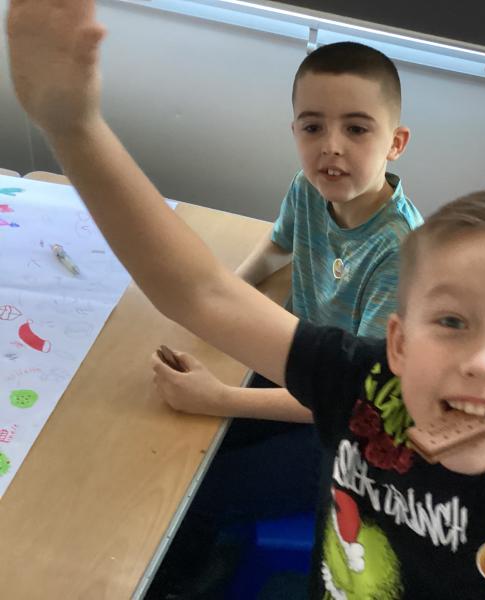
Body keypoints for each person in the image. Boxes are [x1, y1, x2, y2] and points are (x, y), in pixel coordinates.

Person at [7, 2, 485, 598]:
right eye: (451, 321)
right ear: (396, 341)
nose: (482, 361)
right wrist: (73, 127)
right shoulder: (364, 388)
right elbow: (199, 290)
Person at [147, 40, 422, 596]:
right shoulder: (309, 189)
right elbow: (277, 246)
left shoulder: (399, 251)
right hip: (303, 367)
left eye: (357, 129)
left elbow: (353, 398)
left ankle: (193, 577)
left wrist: (220, 397)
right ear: (294, 131)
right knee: (173, 441)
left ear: (395, 143)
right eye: (313, 127)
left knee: (198, 491)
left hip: (352, 431)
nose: (331, 147)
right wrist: (220, 298)